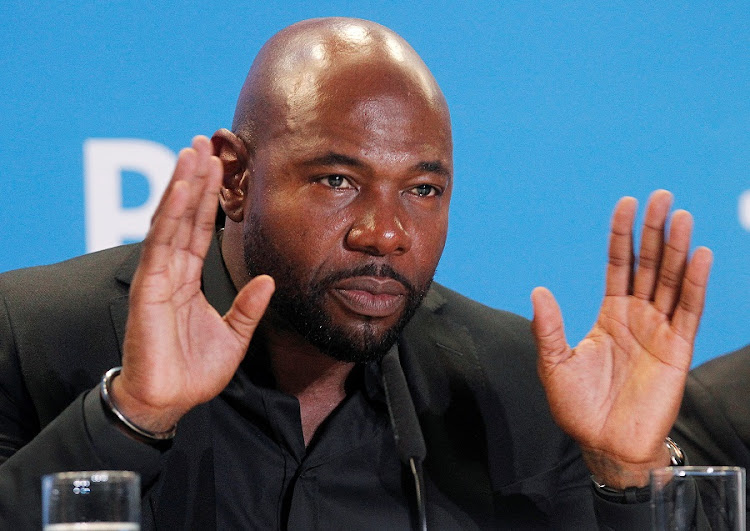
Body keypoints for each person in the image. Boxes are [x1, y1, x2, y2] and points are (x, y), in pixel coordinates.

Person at [0, 18, 713, 529]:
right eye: (338, 179)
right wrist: (131, 417)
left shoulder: (518, 387)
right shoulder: (33, 333)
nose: (386, 232)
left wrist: (629, 479)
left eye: (423, 190)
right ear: (236, 176)